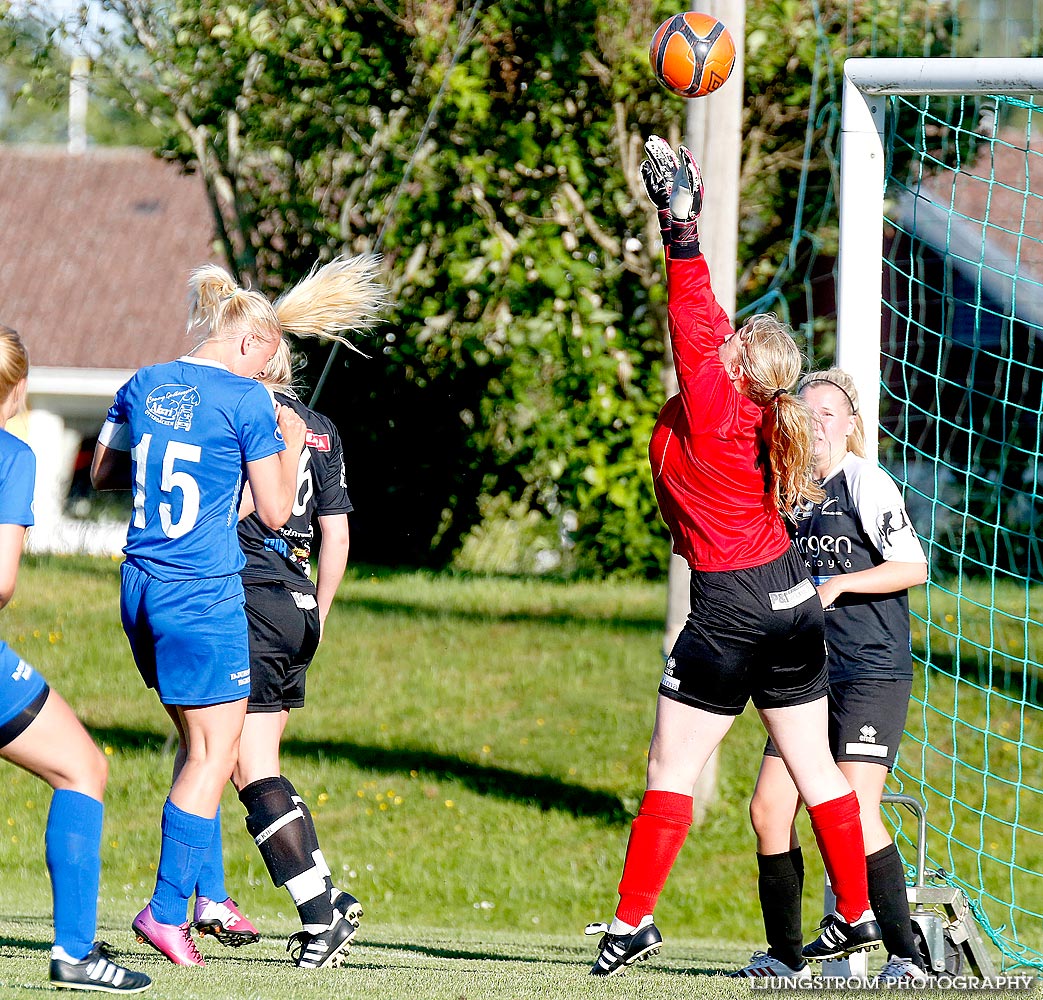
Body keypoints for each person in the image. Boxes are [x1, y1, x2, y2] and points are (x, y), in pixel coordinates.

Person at [584, 137, 882, 978]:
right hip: (791, 598)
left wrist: (679, 225)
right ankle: (854, 914)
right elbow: (708, 314)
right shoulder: (760, 403)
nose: (713, 341)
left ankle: (631, 922)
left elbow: (689, 306)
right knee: (814, 768)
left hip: (730, 608)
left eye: (726, 344)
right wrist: (686, 211)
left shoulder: (713, 404)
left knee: (669, 765)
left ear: (733, 367)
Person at [91, 266, 308, 966]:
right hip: (200, 591)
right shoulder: (247, 400)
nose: (266, 377)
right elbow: (276, 514)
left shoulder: (144, 381)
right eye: (268, 363)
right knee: (218, 754)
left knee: (197, 751)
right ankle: (163, 913)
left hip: (140, 586)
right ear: (251, 341)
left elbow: (101, 473)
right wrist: (292, 447)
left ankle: (208, 895)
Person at [187, 256, 384, 969]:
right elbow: (336, 533)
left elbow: (235, 509)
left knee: (241, 763)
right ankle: (310, 895)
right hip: (296, 602)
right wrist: (319, 613)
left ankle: (318, 910)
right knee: (223, 756)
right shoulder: (321, 425)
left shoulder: (242, 413)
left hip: (248, 595)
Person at [730, 367, 929, 985]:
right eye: (805, 410)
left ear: (849, 425)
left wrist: (841, 583)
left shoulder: (866, 483)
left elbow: (913, 567)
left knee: (851, 806)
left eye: (828, 411)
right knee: (768, 809)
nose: (816, 421)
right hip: (802, 675)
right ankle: (785, 958)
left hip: (870, 670)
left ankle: (907, 957)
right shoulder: (786, 495)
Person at [0, 325, 151, 994]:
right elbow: (0, 583)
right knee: (81, 767)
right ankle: (74, 953)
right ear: (19, 388)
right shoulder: (11, 453)